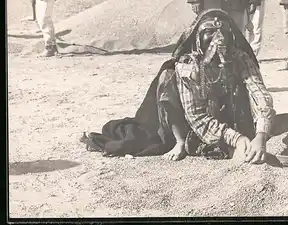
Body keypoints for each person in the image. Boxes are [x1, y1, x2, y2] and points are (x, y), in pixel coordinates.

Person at [81, 9, 275, 165]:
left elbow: (259, 93)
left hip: (224, 114)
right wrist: (237, 139)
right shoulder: (187, 65)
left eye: (223, 31)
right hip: (191, 121)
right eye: (209, 32)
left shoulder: (240, 58)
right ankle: (180, 141)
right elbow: (196, 116)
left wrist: (261, 135)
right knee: (167, 76)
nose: (218, 38)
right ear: (198, 37)